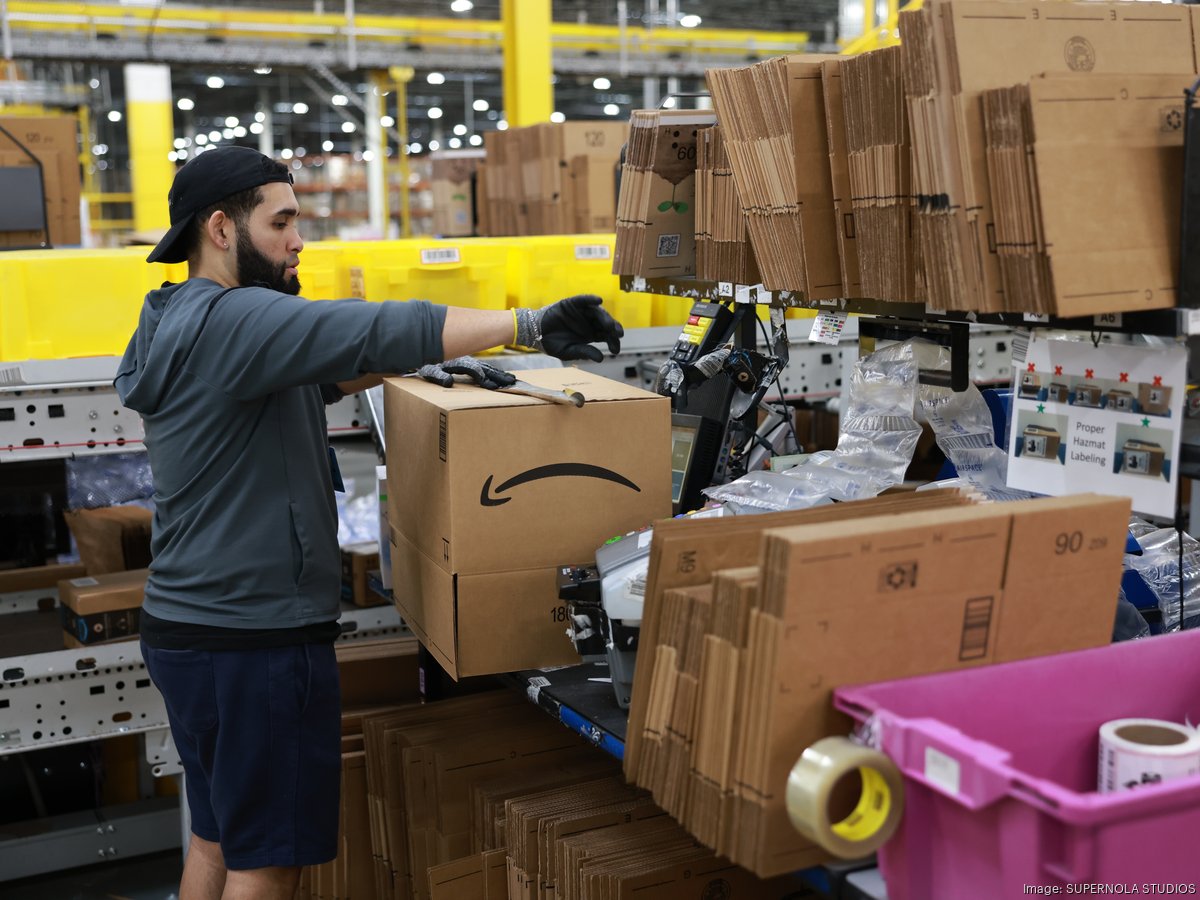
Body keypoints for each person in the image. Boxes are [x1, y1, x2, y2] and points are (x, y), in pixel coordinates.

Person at [114, 145, 623, 900]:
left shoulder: (177, 317)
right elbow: (368, 326)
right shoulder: (236, 317)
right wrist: (526, 321)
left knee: (218, 839)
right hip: (254, 639)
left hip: (192, 632)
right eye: (281, 222)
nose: (299, 240)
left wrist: (407, 366)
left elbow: (314, 376)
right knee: (268, 862)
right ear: (220, 229)